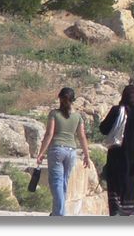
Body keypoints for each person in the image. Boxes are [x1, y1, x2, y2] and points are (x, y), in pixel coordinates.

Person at [97, 84, 134, 216]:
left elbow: (103, 129)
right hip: (133, 162)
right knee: (130, 191)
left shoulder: (116, 110)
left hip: (115, 159)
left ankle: (116, 214)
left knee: (115, 193)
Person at [33, 87, 91, 216]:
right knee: (64, 182)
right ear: (73, 100)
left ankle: (59, 214)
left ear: (60, 98)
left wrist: (41, 152)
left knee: (56, 182)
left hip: (57, 149)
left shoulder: (54, 114)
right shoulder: (78, 117)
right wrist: (86, 155)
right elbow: (82, 136)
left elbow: (49, 134)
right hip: (71, 152)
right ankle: (56, 212)